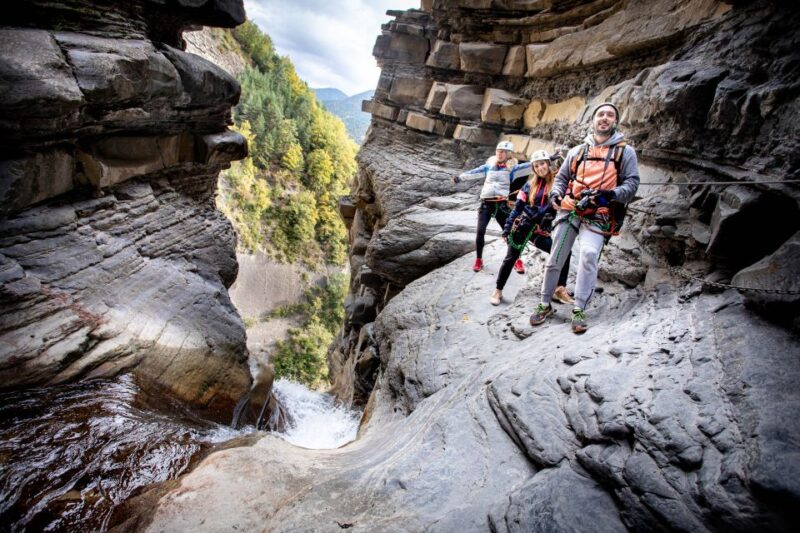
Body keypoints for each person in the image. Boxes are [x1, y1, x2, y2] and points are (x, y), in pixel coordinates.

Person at [529, 102, 640, 333]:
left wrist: (610, 195)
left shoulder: (624, 152)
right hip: (570, 209)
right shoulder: (577, 151)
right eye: (601, 114)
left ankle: (579, 308)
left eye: (610, 115)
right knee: (556, 256)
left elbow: (632, 183)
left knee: (589, 255)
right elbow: (561, 178)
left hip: (600, 213)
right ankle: (544, 303)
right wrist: (556, 194)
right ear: (593, 120)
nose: (605, 118)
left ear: (615, 121)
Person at [490, 150, 574, 306]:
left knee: (564, 252)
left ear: (548, 164)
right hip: (523, 227)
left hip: (540, 232)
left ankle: (559, 288)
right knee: (510, 259)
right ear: (533, 169)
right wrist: (507, 228)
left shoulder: (558, 185)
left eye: (542, 164)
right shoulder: (528, 186)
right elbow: (517, 208)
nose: (540, 168)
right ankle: (498, 290)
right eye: (536, 166)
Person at [453, 141, 531, 272]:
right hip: (486, 204)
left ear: (508, 154)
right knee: (480, 231)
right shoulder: (488, 166)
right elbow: (474, 172)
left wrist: (549, 159)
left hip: (501, 205)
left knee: (511, 233)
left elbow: (531, 165)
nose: (500, 154)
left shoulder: (513, 168)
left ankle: (517, 260)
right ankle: (479, 260)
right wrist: (460, 178)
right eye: (498, 151)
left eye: (503, 152)